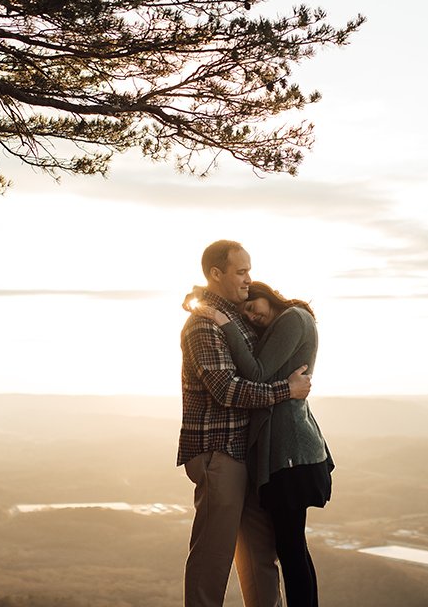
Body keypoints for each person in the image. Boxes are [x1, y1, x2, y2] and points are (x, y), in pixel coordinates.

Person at [178, 240, 313, 607]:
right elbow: (226, 390)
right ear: (215, 274)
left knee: (259, 557)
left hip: (247, 454)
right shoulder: (203, 325)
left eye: (249, 271)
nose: (248, 279)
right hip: (218, 451)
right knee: (214, 557)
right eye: (241, 272)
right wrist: (286, 390)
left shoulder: (236, 318)